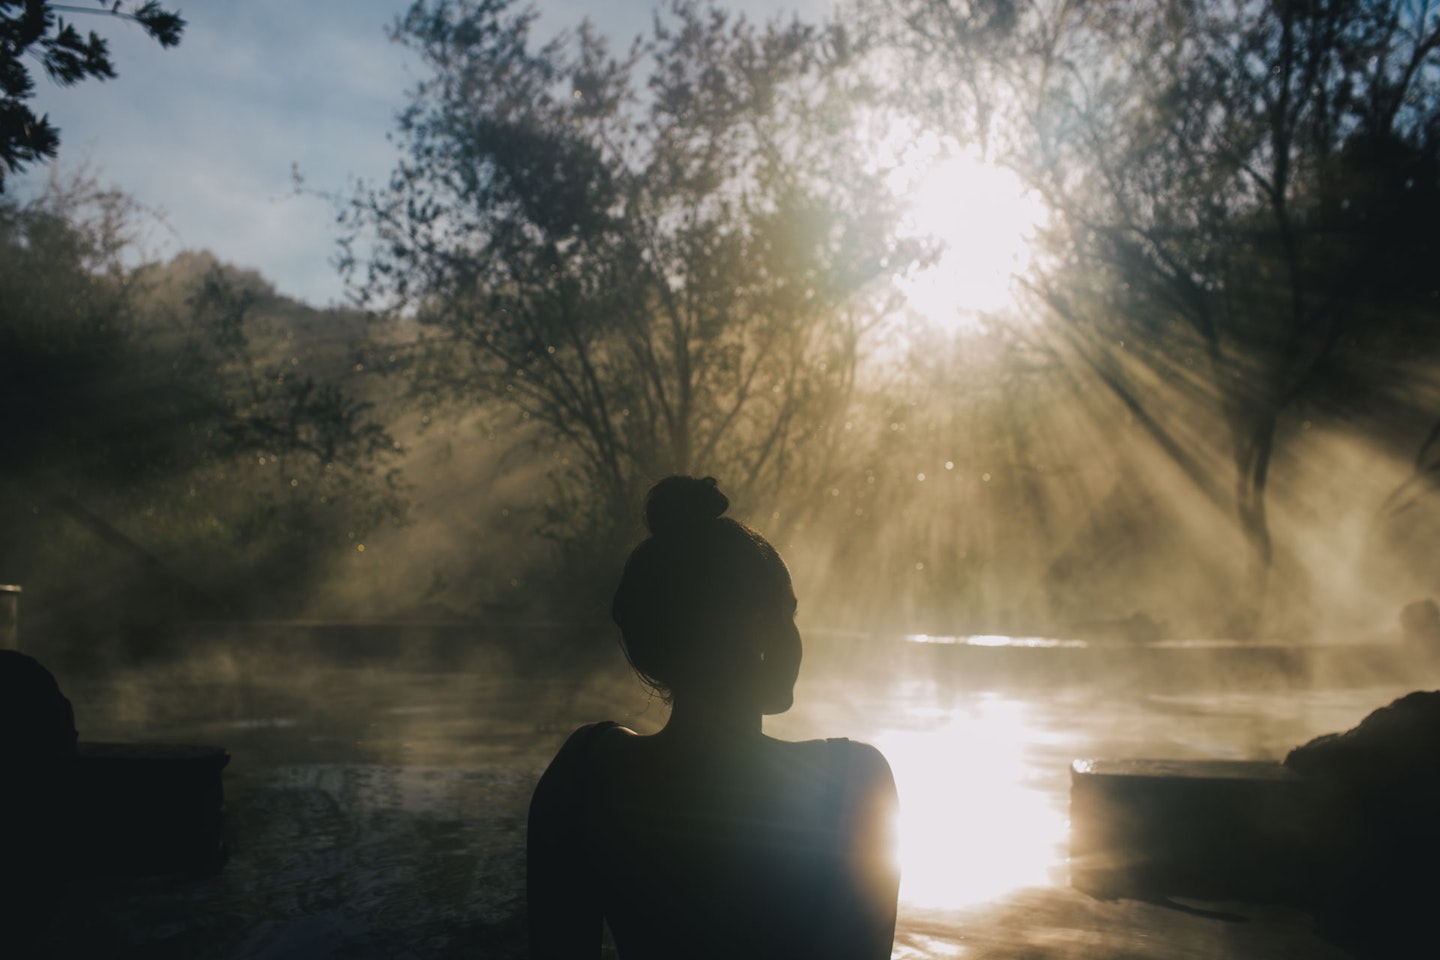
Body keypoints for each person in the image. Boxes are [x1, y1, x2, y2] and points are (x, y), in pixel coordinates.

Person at [528, 476, 899, 960]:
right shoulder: (853, 782)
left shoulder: (584, 772)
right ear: (756, 629)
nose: (796, 637)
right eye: (787, 614)